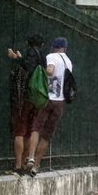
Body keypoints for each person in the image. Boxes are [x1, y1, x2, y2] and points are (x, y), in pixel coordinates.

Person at [25, 37, 73, 177]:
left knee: (36, 128)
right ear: (65, 48)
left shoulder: (51, 56)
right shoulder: (69, 62)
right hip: (60, 102)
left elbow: (50, 70)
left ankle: (31, 157)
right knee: (47, 135)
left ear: (54, 47)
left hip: (47, 99)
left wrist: (42, 71)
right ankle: (36, 167)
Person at [7, 33, 46, 176]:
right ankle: (25, 162)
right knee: (30, 130)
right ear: (41, 45)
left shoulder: (31, 53)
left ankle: (18, 164)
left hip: (26, 96)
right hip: (37, 98)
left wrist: (15, 57)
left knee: (19, 129)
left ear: (29, 43)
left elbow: (28, 67)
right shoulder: (43, 57)